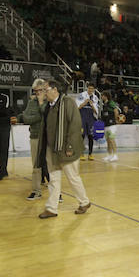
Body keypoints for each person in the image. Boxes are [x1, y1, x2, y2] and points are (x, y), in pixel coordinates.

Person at [37, 79, 90, 218]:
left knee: (72, 177)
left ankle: (84, 202)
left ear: (55, 90)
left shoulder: (67, 102)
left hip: (66, 148)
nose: (44, 92)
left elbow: (75, 125)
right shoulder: (49, 106)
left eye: (45, 90)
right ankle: (51, 208)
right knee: (53, 178)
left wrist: (70, 146)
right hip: (51, 148)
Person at [14, 78, 48, 200]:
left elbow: (45, 114)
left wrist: (40, 105)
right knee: (36, 166)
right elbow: (26, 118)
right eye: (34, 91)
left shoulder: (50, 101)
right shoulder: (31, 102)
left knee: (51, 166)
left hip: (48, 137)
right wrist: (37, 115)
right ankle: (36, 190)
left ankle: (57, 192)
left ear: (44, 89)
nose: (36, 93)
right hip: (35, 136)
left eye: (38, 91)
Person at [76, 82, 99, 161]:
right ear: (87, 88)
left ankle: (90, 154)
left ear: (94, 89)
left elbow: (96, 112)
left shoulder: (95, 97)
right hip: (82, 117)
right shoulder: (81, 95)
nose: (90, 90)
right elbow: (77, 107)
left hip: (90, 118)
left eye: (92, 89)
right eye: (89, 88)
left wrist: (92, 105)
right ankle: (81, 153)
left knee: (90, 136)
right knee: (81, 136)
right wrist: (85, 103)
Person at [99, 90, 120, 162]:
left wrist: (116, 119)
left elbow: (116, 110)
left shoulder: (111, 102)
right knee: (108, 141)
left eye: (102, 95)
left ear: (105, 96)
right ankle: (109, 155)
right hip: (106, 124)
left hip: (112, 125)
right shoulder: (104, 104)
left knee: (112, 140)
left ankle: (115, 155)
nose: (101, 97)